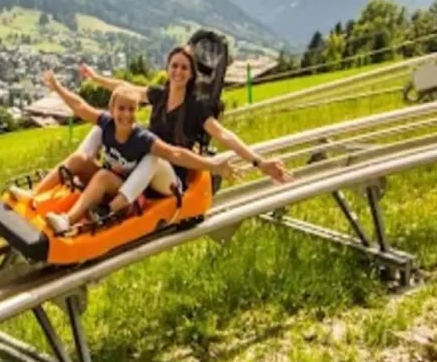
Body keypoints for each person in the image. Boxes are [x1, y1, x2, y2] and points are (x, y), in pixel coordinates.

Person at [31, 70, 234, 235]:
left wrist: (215, 165)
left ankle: (67, 220)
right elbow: (79, 106)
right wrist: (57, 87)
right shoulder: (106, 124)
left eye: (131, 109)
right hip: (112, 183)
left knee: (103, 175)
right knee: (79, 159)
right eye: (121, 109)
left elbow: (176, 154)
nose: (126, 115)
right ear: (112, 109)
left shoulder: (142, 139)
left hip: (131, 197)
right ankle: (34, 196)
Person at [79, 46, 292, 185]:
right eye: (174, 66)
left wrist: (260, 163)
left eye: (184, 67)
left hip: (170, 174)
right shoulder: (159, 95)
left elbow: (224, 136)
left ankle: (104, 182)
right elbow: (126, 88)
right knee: (102, 127)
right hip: (143, 164)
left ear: (191, 74)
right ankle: (77, 168)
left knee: (152, 154)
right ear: (168, 68)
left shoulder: (196, 108)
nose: (178, 71)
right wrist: (97, 78)